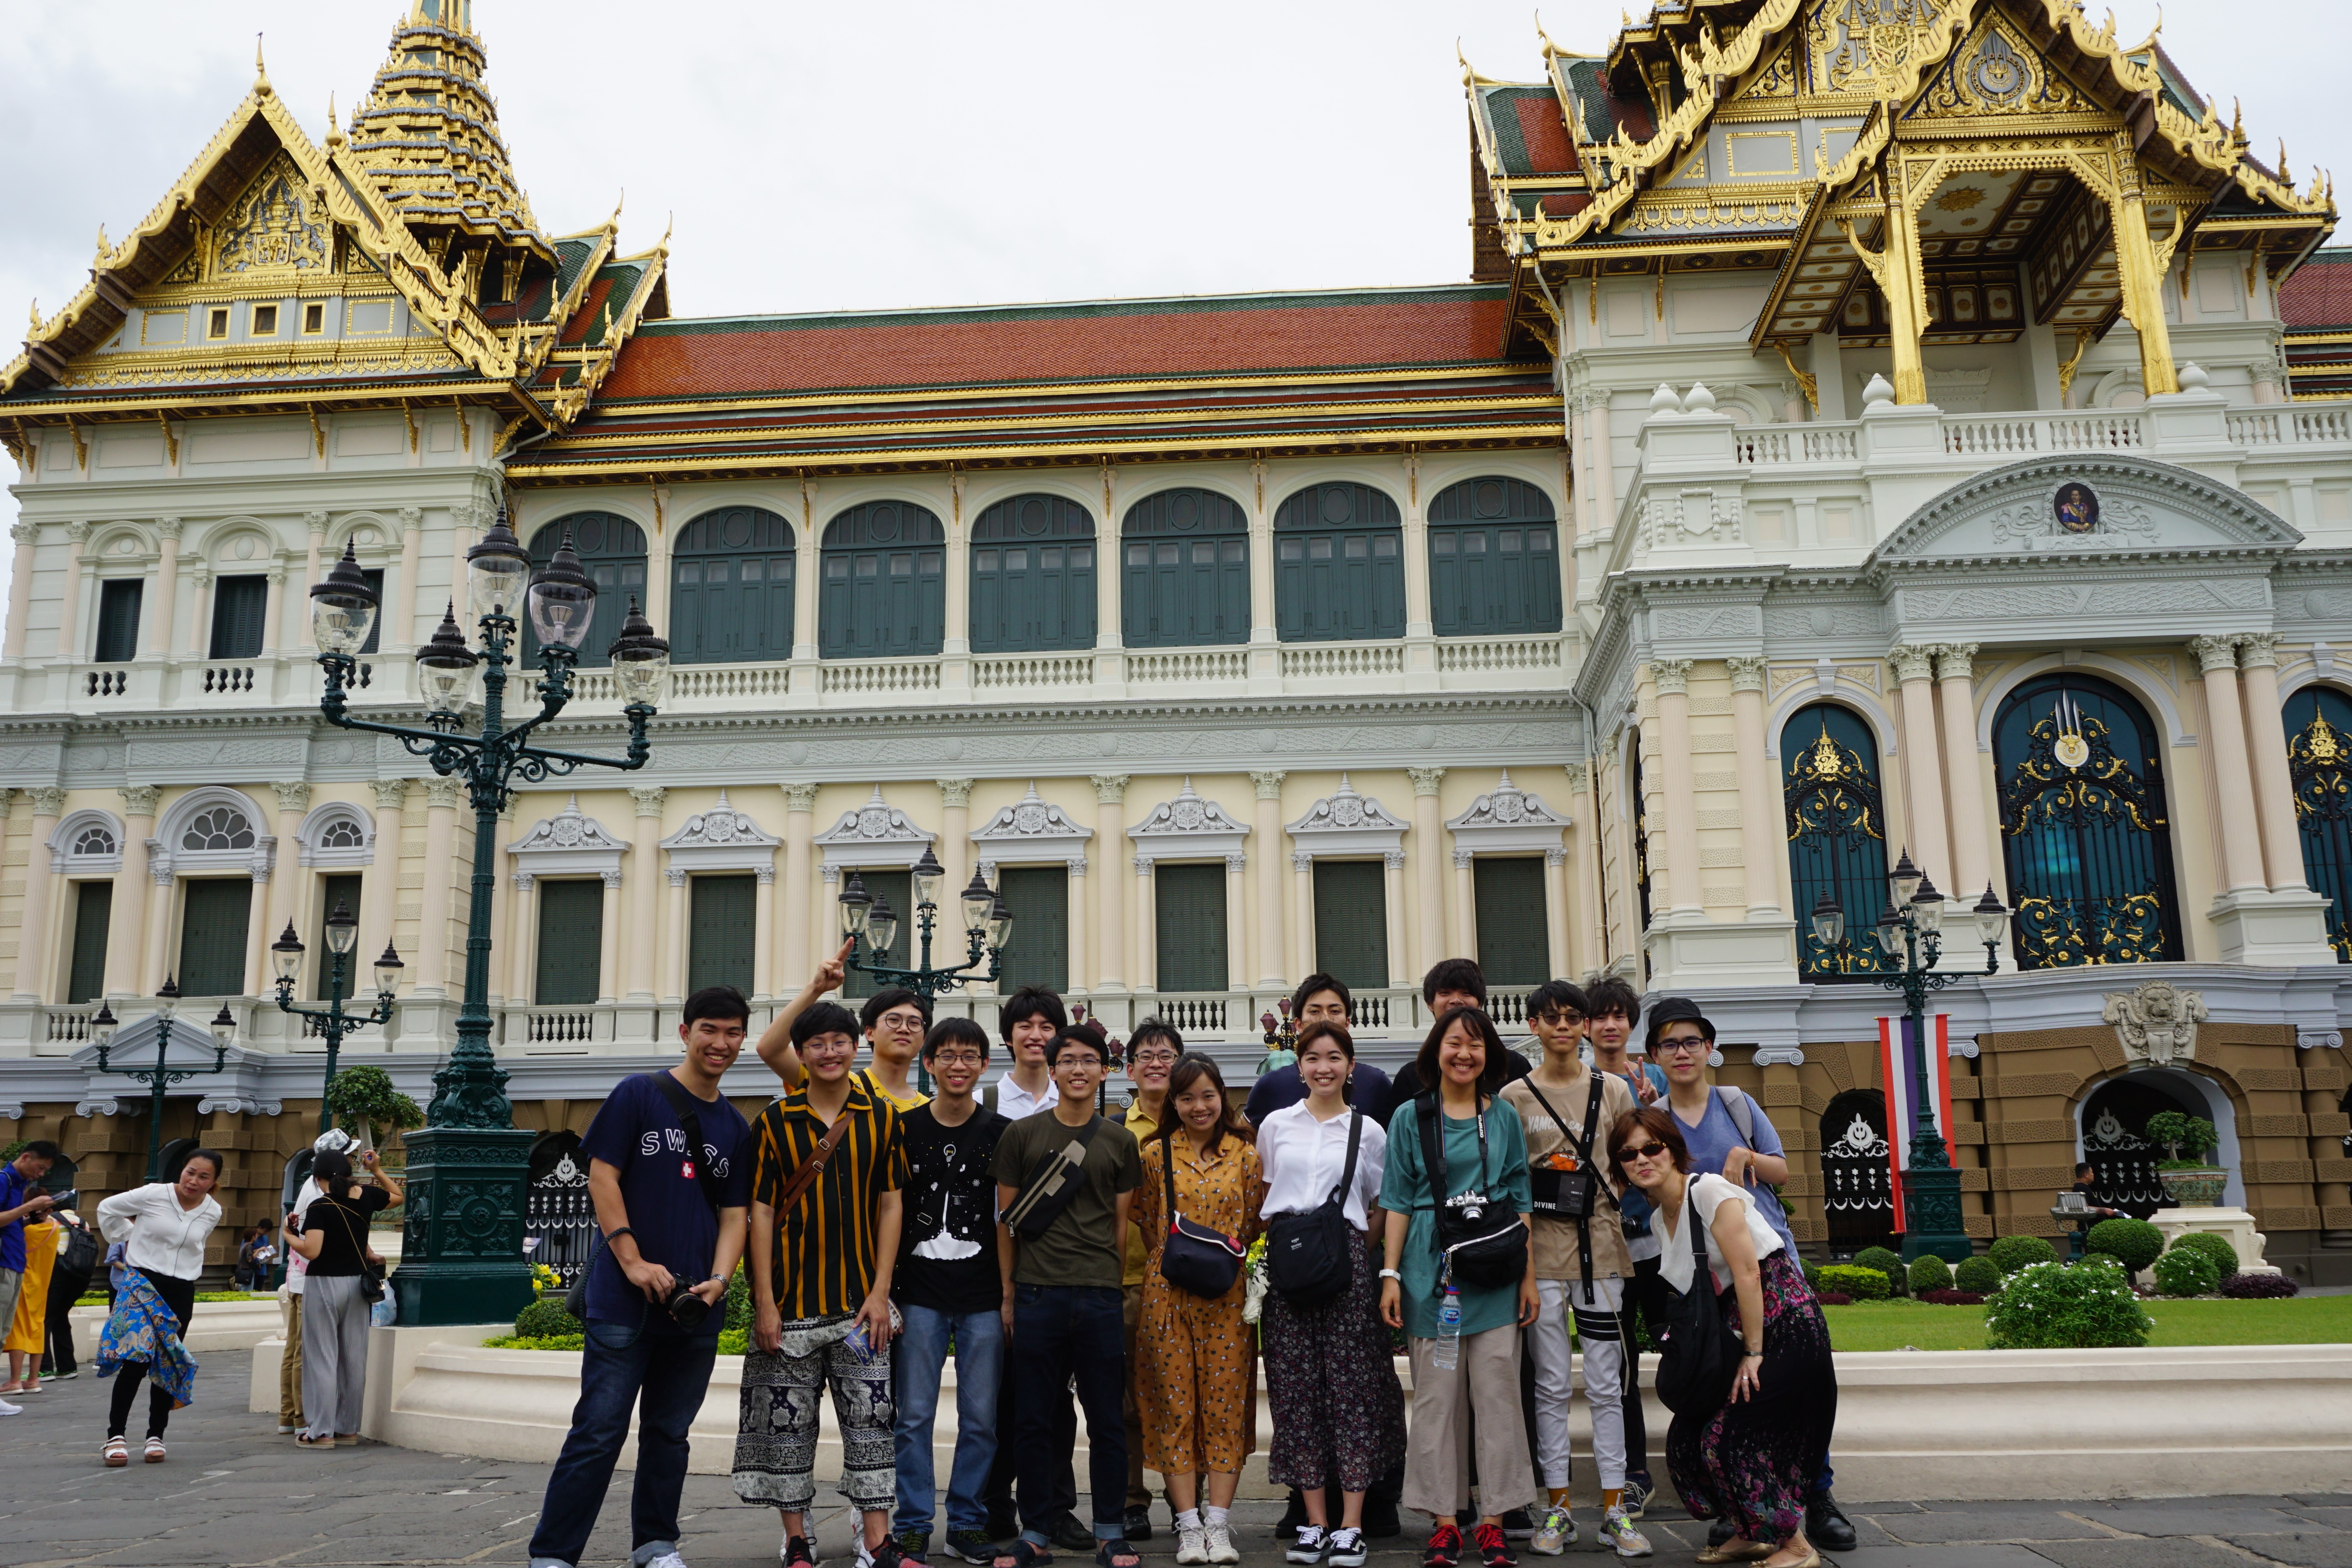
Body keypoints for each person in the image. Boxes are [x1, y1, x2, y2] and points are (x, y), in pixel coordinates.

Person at [529, 986, 753, 1568]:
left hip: (695, 1307)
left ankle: (655, 1543)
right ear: (685, 1032)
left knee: (669, 1433)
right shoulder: (639, 1093)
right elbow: (601, 1176)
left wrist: (721, 1279)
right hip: (622, 1303)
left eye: (733, 1032)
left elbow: (735, 1214)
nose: (721, 1043)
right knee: (598, 1430)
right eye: (710, 1028)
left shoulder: (734, 1124)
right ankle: (553, 1553)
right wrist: (630, 1260)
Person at [1642, 999, 1851, 1553]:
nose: (1682, 1052)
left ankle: (1817, 1495)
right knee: (1732, 1396)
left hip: (1765, 1266)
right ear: (1655, 1056)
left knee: (1795, 1392)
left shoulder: (1736, 1102)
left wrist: (1745, 1156)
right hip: (1715, 1289)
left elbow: (1784, 1167)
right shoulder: (1657, 1119)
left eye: (1691, 1041)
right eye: (1669, 1044)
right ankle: (1748, 1513)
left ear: (1710, 1048)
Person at [1607, 1107, 1834, 1568]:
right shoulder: (1657, 1221)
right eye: (1629, 1153)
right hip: (1739, 1328)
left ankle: (1796, 1545)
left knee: (1727, 1436)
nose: (1642, 1159)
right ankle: (1751, 1531)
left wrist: (1753, 1353)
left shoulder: (1708, 1189)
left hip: (1784, 1322)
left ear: (1673, 1149)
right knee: (1687, 1440)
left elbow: (1750, 1273)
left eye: (1653, 1147)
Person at [735, 999, 909, 1568]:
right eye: (817, 1043)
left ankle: (877, 1540)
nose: (830, 1051)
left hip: (860, 1305)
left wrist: (881, 1290)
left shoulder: (879, 1116)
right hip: (790, 1305)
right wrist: (764, 1300)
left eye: (839, 1040)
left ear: (855, 1043)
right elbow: (759, 1212)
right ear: (802, 1053)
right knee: (787, 1426)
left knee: (873, 1422)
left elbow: (891, 1204)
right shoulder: (775, 1121)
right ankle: (796, 1539)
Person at [1380, 1008, 1538, 1568]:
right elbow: (1397, 1197)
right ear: (1436, 1050)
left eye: (1475, 1044)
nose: (1464, 1053)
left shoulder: (1504, 1118)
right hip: (1431, 1272)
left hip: (1495, 1270)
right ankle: (1445, 1520)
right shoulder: (1409, 1116)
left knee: (1497, 1396)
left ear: (1488, 1054)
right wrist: (1391, 1274)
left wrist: (1529, 1275)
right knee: (1436, 1401)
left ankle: (1493, 1519)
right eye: (1454, 1043)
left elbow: (1521, 1195)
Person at [1498, 982, 1648, 1559]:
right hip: (1542, 1252)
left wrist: (1615, 1181)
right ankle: (1557, 1504)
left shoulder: (1611, 1088)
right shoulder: (1516, 1094)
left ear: (1583, 1026)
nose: (1563, 1026)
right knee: (1552, 1384)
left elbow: (1635, 1152)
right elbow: (1509, 1180)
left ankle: (1615, 1507)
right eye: (1552, 1017)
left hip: (1602, 1249)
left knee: (1608, 1381)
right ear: (1533, 1024)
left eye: (1572, 1017)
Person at [990, 1025, 1144, 1568]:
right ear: (1051, 1070)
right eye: (1068, 1060)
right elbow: (1006, 1224)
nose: (1078, 1069)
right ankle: (1034, 1530)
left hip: (1100, 1295)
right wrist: (1009, 1294)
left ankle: (1109, 1530)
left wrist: (1108, 1279)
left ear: (1104, 1071)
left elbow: (1120, 1225)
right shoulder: (1021, 1135)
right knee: (1034, 1417)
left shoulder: (1120, 1140)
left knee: (1106, 1416)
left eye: (1089, 1060)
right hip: (1037, 1293)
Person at [1257, 1020, 1405, 1568]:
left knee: (1353, 1388)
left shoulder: (1369, 1130)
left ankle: (1351, 1523)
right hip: (1288, 1259)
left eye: (1334, 1056)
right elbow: (1267, 1193)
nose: (1323, 1066)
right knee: (1296, 1389)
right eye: (1313, 1057)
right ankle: (1314, 1521)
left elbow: (1380, 1204)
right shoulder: (1275, 1125)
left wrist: (1346, 1249)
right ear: (1298, 1066)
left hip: (1345, 1261)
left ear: (1351, 1065)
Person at [893, 1017, 1013, 1566]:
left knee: (981, 1416)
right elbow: (887, 1211)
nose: (959, 1064)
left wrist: (1008, 1293)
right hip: (918, 1291)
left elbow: (1007, 1218)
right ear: (931, 1063)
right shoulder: (905, 1128)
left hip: (983, 1291)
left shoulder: (1001, 1130)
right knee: (913, 1414)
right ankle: (913, 1522)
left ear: (985, 1064)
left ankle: (965, 1520)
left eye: (970, 1055)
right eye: (948, 1055)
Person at [1135, 1054, 1261, 1567]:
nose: (1198, 1106)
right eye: (1186, 1097)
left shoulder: (1246, 1155)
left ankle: (1218, 1523)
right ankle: (1188, 1526)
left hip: (1227, 1297)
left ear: (1223, 1097)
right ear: (1173, 1103)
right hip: (1167, 1295)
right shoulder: (1155, 1153)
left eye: (1207, 1095)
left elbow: (1252, 1222)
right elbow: (1148, 1222)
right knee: (1173, 1406)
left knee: (1226, 1408)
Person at [979, 986, 1087, 1552]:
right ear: (1009, 1034)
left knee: (1056, 1400)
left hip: (1062, 1271)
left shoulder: (1075, 1099)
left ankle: (1056, 1508)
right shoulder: (988, 1101)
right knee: (1000, 1397)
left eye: (1048, 1024)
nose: (1037, 1033)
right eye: (1025, 1024)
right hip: (1001, 1268)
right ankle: (998, 1504)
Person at [94, 1149, 224, 1464]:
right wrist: (127, 1234)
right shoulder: (154, 1194)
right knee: (135, 1361)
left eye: (203, 1176)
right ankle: (116, 1436)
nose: (194, 1181)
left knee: (168, 1362)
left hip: (181, 1291)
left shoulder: (213, 1211)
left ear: (214, 1182)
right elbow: (107, 1208)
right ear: (182, 1170)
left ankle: (156, 1435)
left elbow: (196, 1245)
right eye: (190, 1172)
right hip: (142, 1286)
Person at [285, 1146, 405, 1447]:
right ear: (351, 1173)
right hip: (357, 1285)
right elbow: (398, 1197)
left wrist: (289, 1234)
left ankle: (321, 1431)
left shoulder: (319, 1206)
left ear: (317, 1178)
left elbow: (312, 1250)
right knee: (353, 1358)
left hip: (324, 1284)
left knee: (322, 1357)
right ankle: (348, 1428)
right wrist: (377, 1169)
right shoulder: (365, 1196)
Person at [1118, 1020, 1181, 1543]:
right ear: (1130, 1067)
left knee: (1188, 1396)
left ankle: (1190, 1499)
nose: (1156, 1062)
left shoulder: (1201, 1123)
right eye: (1146, 1054)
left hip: (1191, 1284)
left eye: (1165, 1054)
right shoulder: (1118, 1131)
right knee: (1129, 1402)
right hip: (1132, 1281)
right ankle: (1133, 1497)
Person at [278, 1126, 360, 1437]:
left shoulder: (312, 1186)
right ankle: (303, 1417)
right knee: (304, 1351)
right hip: (311, 1277)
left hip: (302, 1276)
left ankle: (291, 1414)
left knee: (295, 1349)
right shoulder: (322, 1191)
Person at [1377, 962, 1531, 1123]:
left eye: (1466, 993)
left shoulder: (1513, 1067)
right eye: (1445, 993)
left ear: (1480, 1002)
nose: (1456, 1000)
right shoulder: (1411, 1077)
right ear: (1430, 1003)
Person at [1242, 977, 1394, 1127]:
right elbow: (1240, 1144)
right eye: (1315, 1011)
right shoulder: (1271, 1085)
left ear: (1347, 1022)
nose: (1325, 1019)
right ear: (1298, 1024)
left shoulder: (1376, 1084)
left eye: (1335, 1011)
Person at [0, 1140, 62, 1407]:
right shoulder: (5, 1180)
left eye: (45, 1171)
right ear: (25, 1157)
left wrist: (29, 1214)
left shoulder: (20, 1184)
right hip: (4, 1262)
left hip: (15, 1263)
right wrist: (28, 1207)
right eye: (40, 1167)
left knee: (3, 1331)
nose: (40, 1174)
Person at [3, 1207, 58, 1396]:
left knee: (18, 1329)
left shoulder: (28, 1229)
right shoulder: (55, 1227)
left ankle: (14, 1381)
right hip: (42, 1285)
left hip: (22, 1281)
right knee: (37, 1327)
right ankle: (33, 1380)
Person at [44, 1209, 98, 1382]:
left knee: (44, 1319)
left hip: (58, 1270)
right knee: (61, 1317)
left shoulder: (51, 1219)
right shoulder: (84, 1223)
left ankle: (43, 1370)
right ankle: (67, 1368)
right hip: (80, 1275)